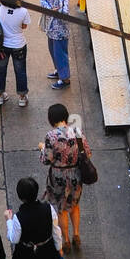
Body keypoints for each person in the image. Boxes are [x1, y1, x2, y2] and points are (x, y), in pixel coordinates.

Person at [40, 103, 92, 251]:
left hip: (58, 177)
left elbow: (46, 160)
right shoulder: (77, 131)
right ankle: (76, 234)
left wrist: (42, 148)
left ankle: (66, 240)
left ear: (51, 119)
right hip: (75, 174)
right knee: (74, 205)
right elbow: (87, 153)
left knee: (62, 208)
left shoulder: (51, 136)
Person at [0, 0, 29, 107]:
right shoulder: (23, 11)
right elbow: (24, 26)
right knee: (20, 71)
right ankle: (22, 97)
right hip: (18, 45)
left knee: (0, 69)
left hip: (2, 46)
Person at [40, 0, 71, 90]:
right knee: (53, 52)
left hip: (60, 32)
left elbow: (66, 11)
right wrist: (50, 9)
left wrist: (58, 11)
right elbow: (42, 0)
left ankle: (65, 79)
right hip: (50, 29)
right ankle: (59, 71)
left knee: (60, 55)